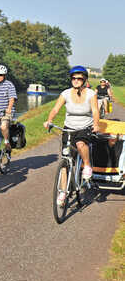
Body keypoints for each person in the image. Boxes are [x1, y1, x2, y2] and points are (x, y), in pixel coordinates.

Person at [43, 65, 100, 205]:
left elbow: (95, 110)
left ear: (84, 79)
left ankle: (87, 166)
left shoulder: (91, 94)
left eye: (79, 78)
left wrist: (96, 123)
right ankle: (63, 192)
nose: (76, 80)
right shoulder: (66, 94)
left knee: (81, 144)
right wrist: (49, 120)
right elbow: (55, 109)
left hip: (84, 127)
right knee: (65, 160)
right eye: (73, 78)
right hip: (69, 128)